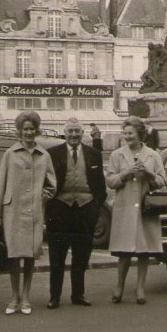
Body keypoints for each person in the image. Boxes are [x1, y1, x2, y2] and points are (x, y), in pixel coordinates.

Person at [0, 111, 56, 316]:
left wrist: (43, 196)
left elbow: (52, 185)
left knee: (29, 256)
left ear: (37, 131)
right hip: (13, 210)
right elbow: (1, 184)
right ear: (19, 131)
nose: (29, 132)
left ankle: (26, 297)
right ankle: (14, 297)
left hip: (34, 211)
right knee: (13, 256)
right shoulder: (10, 154)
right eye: (25, 129)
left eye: (32, 129)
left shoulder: (44, 155)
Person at [45, 118, 108, 309]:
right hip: (60, 209)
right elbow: (46, 182)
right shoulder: (53, 153)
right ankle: (54, 297)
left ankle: (78, 295)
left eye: (77, 131)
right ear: (64, 133)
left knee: (81, 256)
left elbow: (100, 185)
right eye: (70, 131)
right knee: (57, 256)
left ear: (83, 133)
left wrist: (95, 207)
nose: (74, 135)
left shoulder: (94, 154)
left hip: (85, 208)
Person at [105, 116, 167, 305]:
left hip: (145, 207)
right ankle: (119, 287)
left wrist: (148, 174)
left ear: (139, 134)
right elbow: (110, 181)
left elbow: (162, 182)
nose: (127, 137)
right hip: (125, 207)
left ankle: (140, 288)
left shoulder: (153, 155)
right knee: (124, 251)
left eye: (131, 133)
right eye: (125, 133)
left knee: (143, 250)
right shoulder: (117, 155)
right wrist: (126, 173)